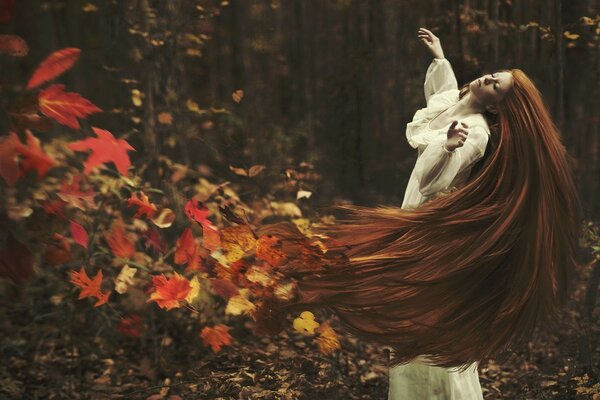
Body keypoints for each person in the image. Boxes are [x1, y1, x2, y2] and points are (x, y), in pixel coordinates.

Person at [276, 26, 582, 400]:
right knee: (413, 318)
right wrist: (439, 58)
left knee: (425, 323)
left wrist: (449, 149)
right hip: (418, 218)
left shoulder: (477, 132)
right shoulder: (455, 104)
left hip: (432, 228)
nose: (487, 77)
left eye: (495, 85)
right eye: (494, 73)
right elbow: (441, 95)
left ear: (495, 106)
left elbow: (432, 185)